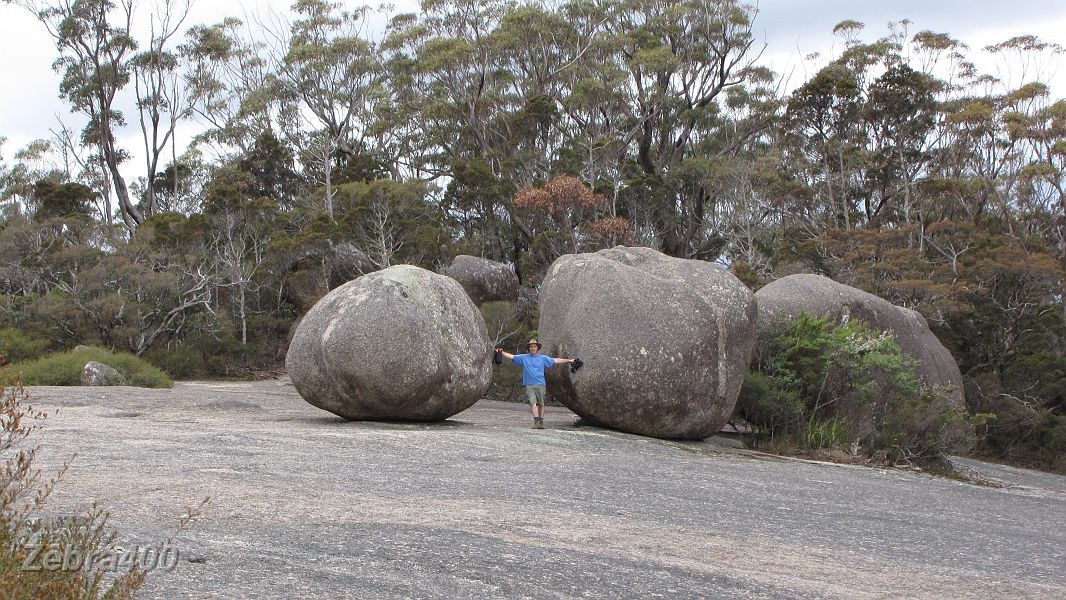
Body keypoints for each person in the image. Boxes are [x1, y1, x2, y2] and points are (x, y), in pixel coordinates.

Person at [495, 338, 575, 429]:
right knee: (533, 403)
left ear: (537, 348)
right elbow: (512, 356)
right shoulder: (524, 357)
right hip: (529, 385)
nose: (533, 348)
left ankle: (541, 421)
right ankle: (536, 421)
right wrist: (501, 352)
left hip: (540, 384)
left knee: (541, 404)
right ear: (529, 348)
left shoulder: (543, 358)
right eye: (531, 347)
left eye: (534, 347)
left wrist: (569, 360)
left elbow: (555, 360)